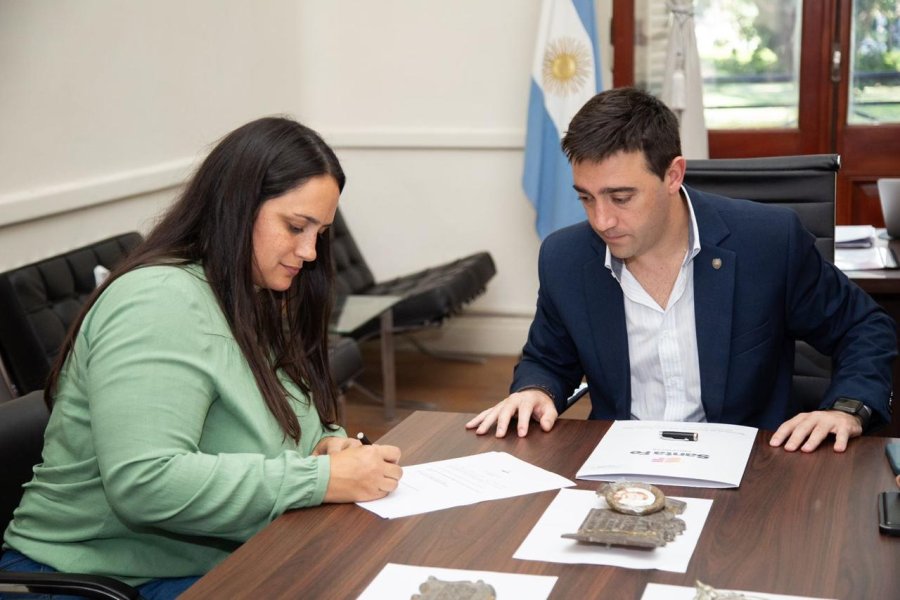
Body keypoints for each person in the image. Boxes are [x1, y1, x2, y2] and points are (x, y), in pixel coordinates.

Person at [0, 117, 402, 598]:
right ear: (235, 206)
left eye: (320, 232)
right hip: (97, 577)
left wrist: (327, 446)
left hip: (206, 558)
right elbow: (146, 482)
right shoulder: (159, 300)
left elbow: (284, 421)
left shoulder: (249, 291)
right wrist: (318, 478)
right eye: (296, 226)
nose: (310, 251)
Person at [467, 87, 896, 453]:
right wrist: (535, 391)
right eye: (586, 198)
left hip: (751, 473)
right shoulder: (566, 257)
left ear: (673, 175)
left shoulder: (767, 242)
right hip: (619, 468)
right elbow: (547, 359)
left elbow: (863, 328)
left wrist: (848, 408)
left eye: (620, 197)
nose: (602, 221)